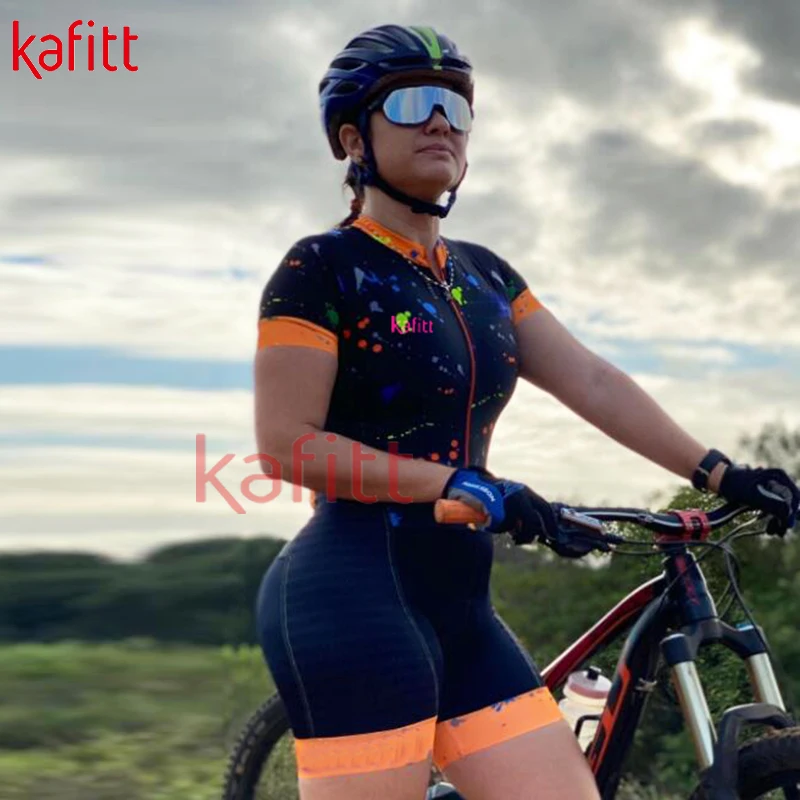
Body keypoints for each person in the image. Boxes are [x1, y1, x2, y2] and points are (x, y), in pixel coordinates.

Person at [252, 23, 800, 800]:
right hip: (350, 600)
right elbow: (288, 446)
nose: (439, 121)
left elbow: (594, 382)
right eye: (410, 103)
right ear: (352, 138)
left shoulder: (486, 278)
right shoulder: (321, 268)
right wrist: (457, 483)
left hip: (461, 605)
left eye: (454, 107)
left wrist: (719, 472)